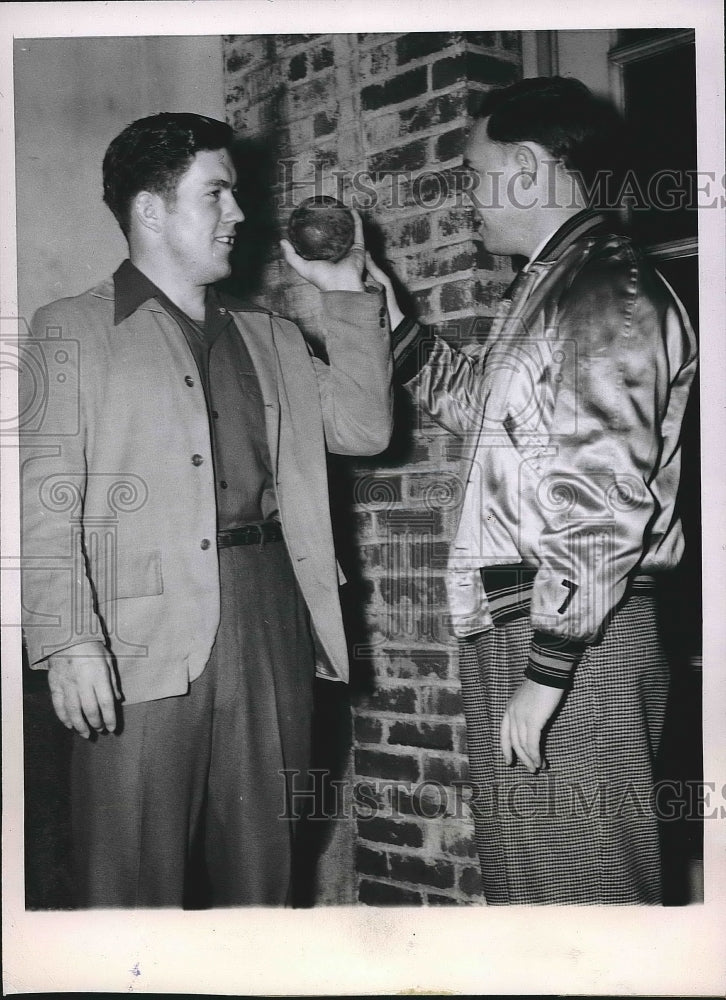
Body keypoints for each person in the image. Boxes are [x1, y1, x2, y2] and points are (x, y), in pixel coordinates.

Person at [20, 112, 392, 908]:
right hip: (134, 638)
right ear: (150, 211)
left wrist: (346, 297)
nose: (240, 214)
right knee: (127, 884)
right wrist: (69, 640)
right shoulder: (70, 329)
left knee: (265, 878)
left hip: (270, 620)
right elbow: (44, 499)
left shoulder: (271, 334)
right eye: (217, 194)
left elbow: (364, 428)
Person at [367, 77, 697, 904]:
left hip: (575, 641)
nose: (470, 200)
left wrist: (548, 671)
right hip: (538, 627)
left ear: (525, 167)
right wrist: (388, 315)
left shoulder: (602, 291)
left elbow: (604, 498)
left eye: (476, 175)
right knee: (535, 899)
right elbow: (478, 407)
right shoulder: (557, 284)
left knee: (587, 904)